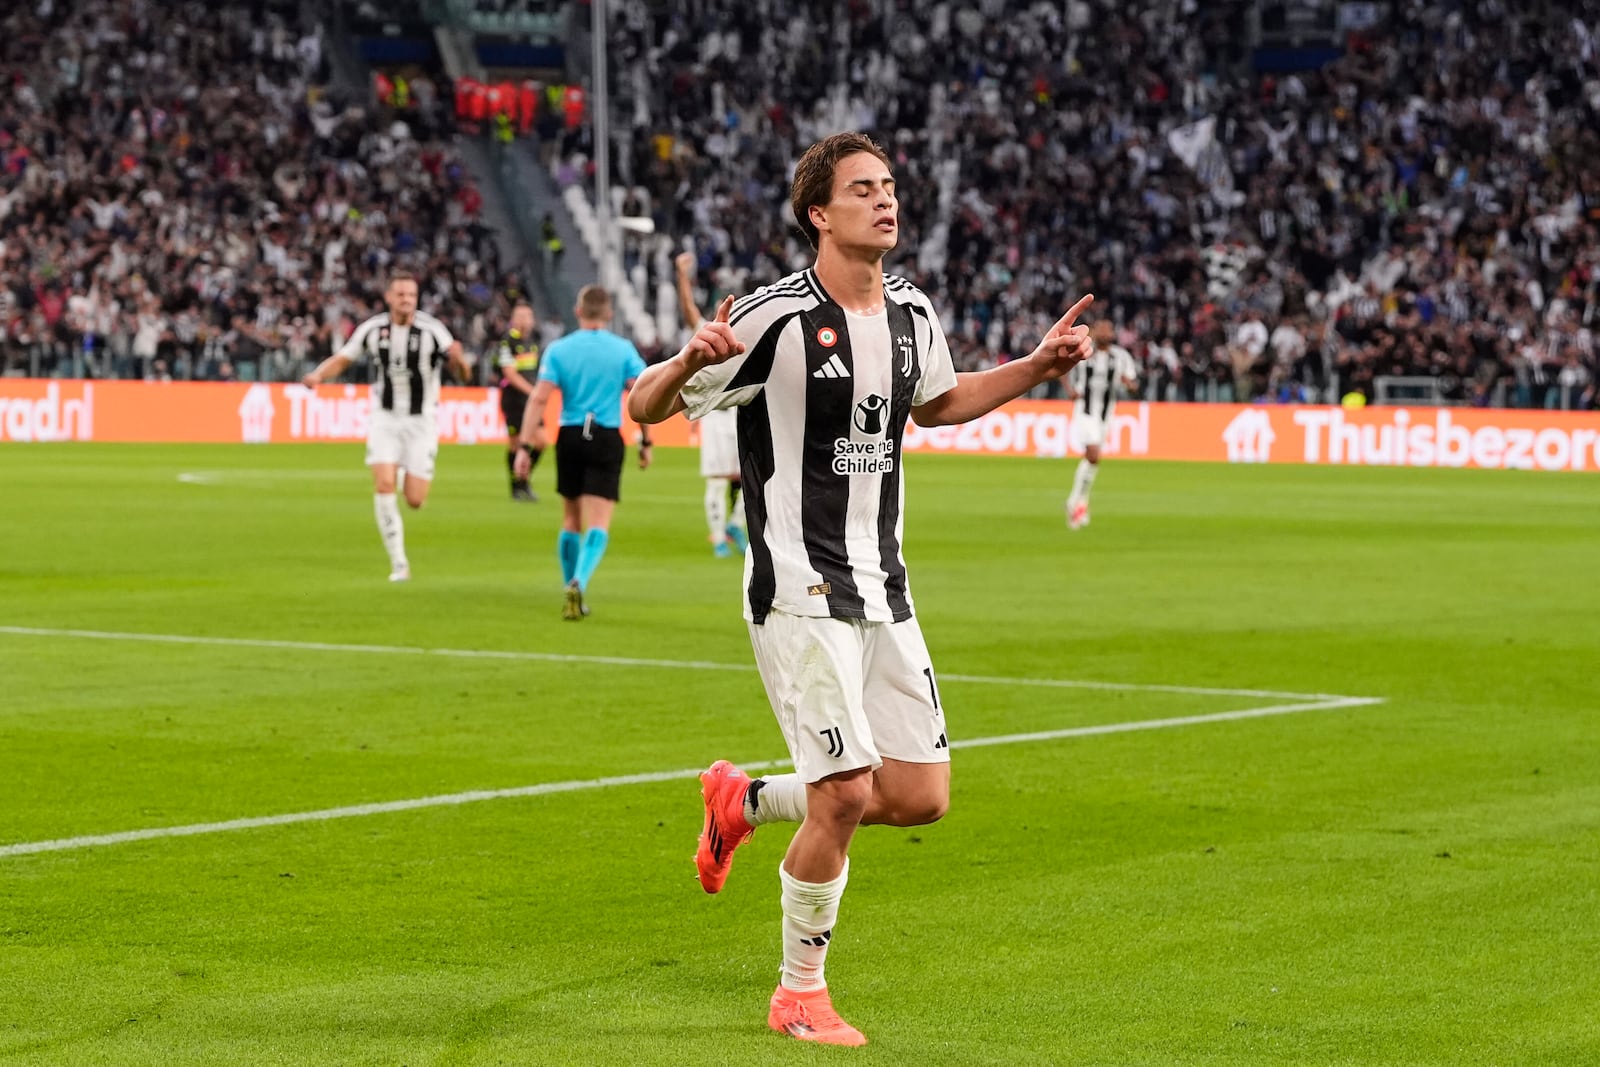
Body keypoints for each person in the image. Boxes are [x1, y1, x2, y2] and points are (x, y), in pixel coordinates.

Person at [628, 132, 1093, 1047]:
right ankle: (799, 992)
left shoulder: (914, 312)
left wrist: (1035, 369)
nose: (886, 202)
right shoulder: (771, 320)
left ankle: (746, 801)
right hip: (799, 586)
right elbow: (644, 406)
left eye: (889, 187)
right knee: (844, 790)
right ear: (818, 214)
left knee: (919, 794)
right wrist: (686, 362)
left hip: (885, 588)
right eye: (863, 190)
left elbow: (940, 402)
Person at [302, 270, 470, 581]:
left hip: (422, 420)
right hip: (385, 417)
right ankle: (399, 563)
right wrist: (318, 375)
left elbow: (464, 375)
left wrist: (459, 361)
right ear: (389, 297)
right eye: (401, 294)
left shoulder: (433, 331)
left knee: (415, 500)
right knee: (382, 485)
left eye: (411, 295)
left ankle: (404, 468)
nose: (407, 300)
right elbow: (344, 358)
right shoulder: (373, 329)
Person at [515, 285, 650, 620]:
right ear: (608, 314)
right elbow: (643, 394)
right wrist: (645, 442)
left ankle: (567, 584)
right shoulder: (623, 350)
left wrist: (524, 446)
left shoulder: (559, 350)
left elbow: (539, 398)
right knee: (599, 522)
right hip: (605, 435)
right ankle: (579, 581)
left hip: (570, 434)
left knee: (570, 519)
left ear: (578, 312)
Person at [675, 250, 748, 557]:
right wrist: (682, 275)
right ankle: (719, 537)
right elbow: (688, 308)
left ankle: (734, 525)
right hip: (716, 416)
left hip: (739, 415)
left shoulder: (748, 335)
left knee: (748, 477)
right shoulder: (705, 331)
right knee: (718, 481)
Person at [1065, 319, 1140, 530]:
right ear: (1095, 332)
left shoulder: (1121, 357)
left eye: (1108, 328)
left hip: (1106, 415)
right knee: (1093, 454)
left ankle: (1077, 502)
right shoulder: (1083, 353)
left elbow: (1133, 384)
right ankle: (1077, 502)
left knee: (1093, 461)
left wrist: (1130, 386)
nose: (1105, 332)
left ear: (1113, 333)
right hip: (1085, 411)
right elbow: (1061, 369)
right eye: (1101, 328)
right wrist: (1070, 390)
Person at [495, 302, 544, 501]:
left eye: (528, 316)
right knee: (516, 445)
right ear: (513, 320)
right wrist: (533, 391)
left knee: (541, 441)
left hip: (531, 400)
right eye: (521, 316)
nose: (525, 320)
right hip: (514, 400)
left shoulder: (532, 341)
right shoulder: (507, 342)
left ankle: (524, 479)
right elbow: (510, 374)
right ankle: (516, 486)